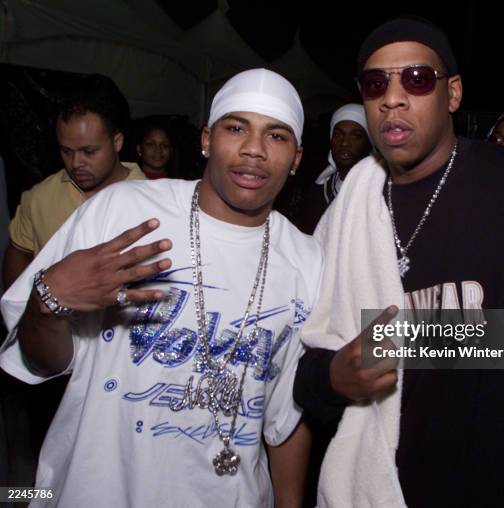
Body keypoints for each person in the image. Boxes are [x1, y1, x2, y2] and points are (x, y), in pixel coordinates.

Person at [294, 17, 504, 508]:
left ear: (454, 93)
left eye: (417, 79)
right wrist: (332, 378)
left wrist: (405, 335)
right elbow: (304, 362)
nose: (393, 98)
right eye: (376, 83)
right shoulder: (347, 212)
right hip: (378, 486)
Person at [0, 68, 322, 508]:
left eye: (277, 136)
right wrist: (46, 300)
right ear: (207, 140)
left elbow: (286, 421)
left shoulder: (308, 259)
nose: (253, 150)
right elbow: (42, 363)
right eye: (236, 128)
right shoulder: (121, 211)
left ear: (298, 157)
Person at [3, 79, 145, 290]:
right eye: (66, 151)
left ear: (117, 142)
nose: (76, 163)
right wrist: (24, 313)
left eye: (89, 151)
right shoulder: (39, 198)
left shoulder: (150, 199)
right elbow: (19, 251)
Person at [297, 104, 372, 234]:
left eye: (355, 136)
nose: (344, 143)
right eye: (338, 134)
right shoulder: (319, 192)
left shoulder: (380, 192)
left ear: (370, 142)